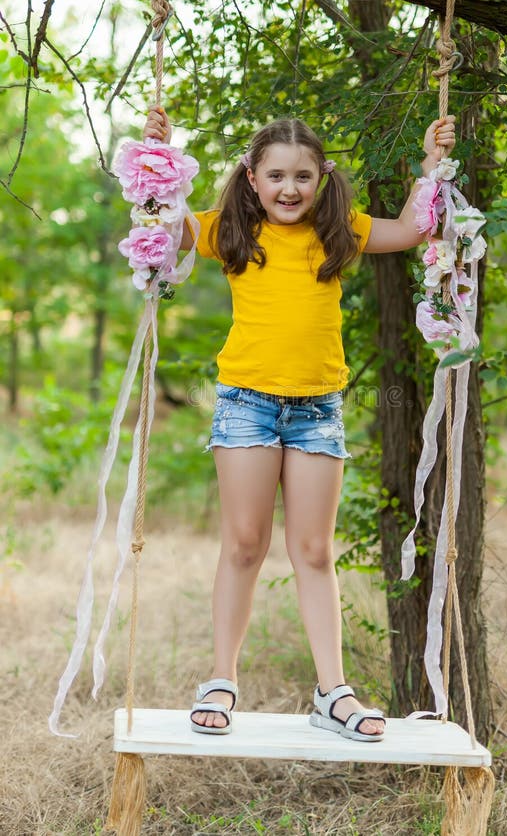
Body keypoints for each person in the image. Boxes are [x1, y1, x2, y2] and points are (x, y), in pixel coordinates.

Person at [143, 108, 455, 742]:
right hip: (246, 403)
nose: (290, 189)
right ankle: (221, 680)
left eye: (303, 176)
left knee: (313, 550)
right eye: (277, 176)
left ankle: (332, 693)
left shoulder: (338, 231)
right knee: (245, 543)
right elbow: (158, 227)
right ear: (252, 178)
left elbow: (413, 229)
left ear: (322, 178)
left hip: (318, 409)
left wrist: (430, 164)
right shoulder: (227, 231)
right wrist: (158, 159)